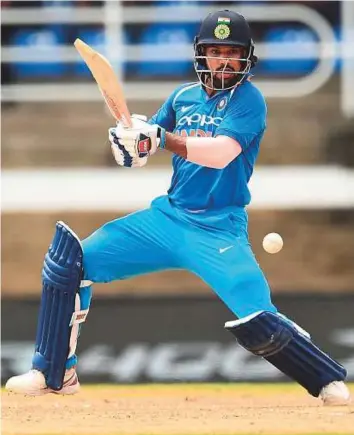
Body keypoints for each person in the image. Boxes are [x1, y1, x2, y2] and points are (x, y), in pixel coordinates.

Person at [6, 10, 350, 405]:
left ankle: (325, 379)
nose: (223, 61)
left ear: (246, 59)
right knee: (71, 262)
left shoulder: (250, 101)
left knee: (259, 318)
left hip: (219, 228)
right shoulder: (182, 97)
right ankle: (53, 374)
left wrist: (162, 139)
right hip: (167, 219)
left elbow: (221, 154)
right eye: (215, 52)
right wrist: (130, 142)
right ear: (200, 55)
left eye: (232, 53)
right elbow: (140, 152)